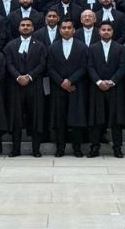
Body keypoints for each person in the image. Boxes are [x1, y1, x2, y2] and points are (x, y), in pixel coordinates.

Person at [5, 17, 47, 157]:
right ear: (18, 28)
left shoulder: (40, 46)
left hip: (34, 86)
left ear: (33, 28)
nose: (25, 27)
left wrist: (29, 76)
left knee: (36, 117)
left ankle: (36, 149)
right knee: (16, 118)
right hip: (15, 87)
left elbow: (42, 64)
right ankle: (15, 149)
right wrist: (18, 77)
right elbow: (9, 63)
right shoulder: (11, 45)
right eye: (22, 25)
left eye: (28, 25)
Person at [47, 20, 89, 157]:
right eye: (63, 28)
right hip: (58, 88)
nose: (66, 30)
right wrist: (61, 82)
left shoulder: (82, 47)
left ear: (74, 30)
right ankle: (60, 148)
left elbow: (84, 66)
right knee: (60, 120)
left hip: (76, 87)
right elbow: (50, 68)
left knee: (76, 120)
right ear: (60, 30)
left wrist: (70, 80)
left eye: (69, 28)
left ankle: (77, 148)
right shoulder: (53, 47)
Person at [86, 21, 125, 158]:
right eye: (103, 29)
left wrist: (112, 81)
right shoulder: (92, 48)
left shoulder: (120, 48)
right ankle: (94, 147)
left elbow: (122, 67)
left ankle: (117, 148)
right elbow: (90, 67)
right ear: (99, 32)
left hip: (114, 88)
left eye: (109, 29)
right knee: (96, 119)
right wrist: (98, 81)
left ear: (112, 32)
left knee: (116, 120)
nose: (106, 32)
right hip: (97, 88)